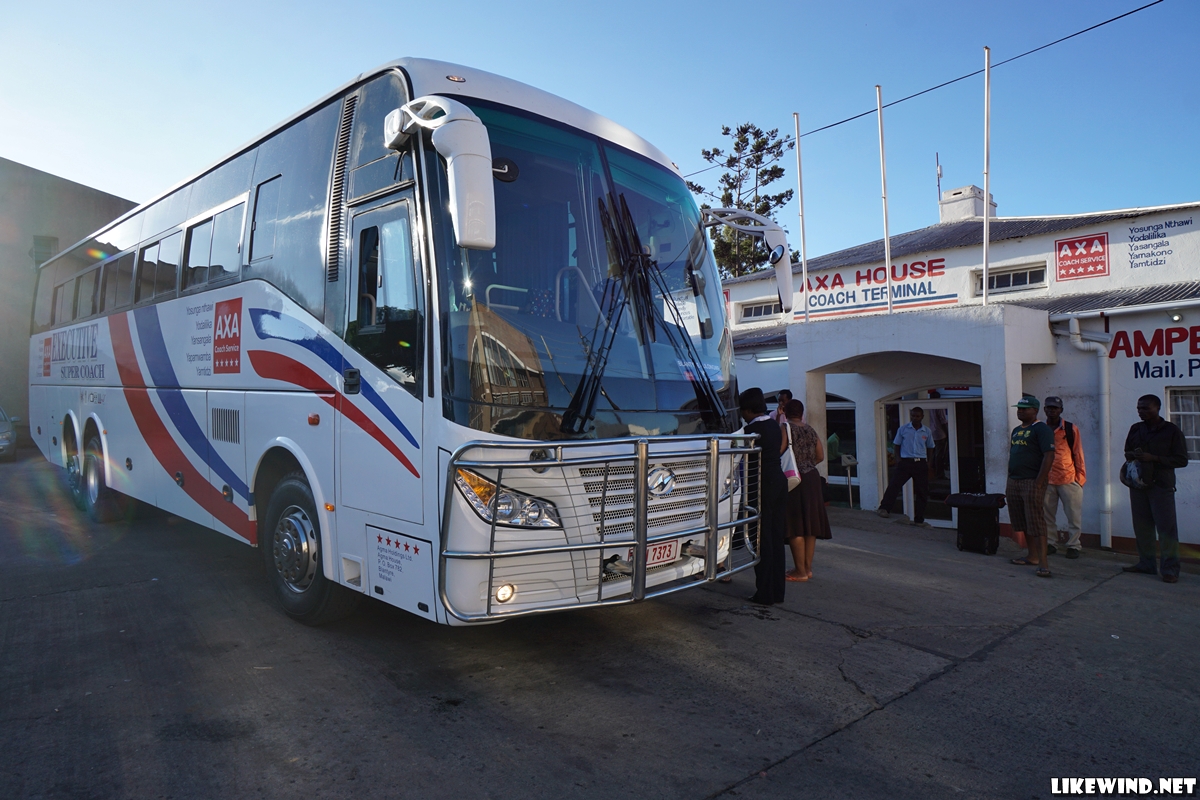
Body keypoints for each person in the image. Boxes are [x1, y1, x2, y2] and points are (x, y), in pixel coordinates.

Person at [1121, 394, 1189, 583]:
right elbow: (1126, 451)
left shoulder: (1171, 431)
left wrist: (1154, 458)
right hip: (1138, 484)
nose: (1141, 411)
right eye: (1139, 408)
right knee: (1142, 527)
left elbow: (1182, 460)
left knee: (1166, 529)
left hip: (1161, 486)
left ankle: (1170, 569)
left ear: (1157, 408)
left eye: (1145, 408)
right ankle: (1146, 564)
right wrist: (1133, 455)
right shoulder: (1136, 429)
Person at [740, 387, 787, 605]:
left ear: (749, 410)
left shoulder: (751, 431)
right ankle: (777, 591)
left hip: (761, 486)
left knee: (760, 538)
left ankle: (765, 592)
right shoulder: (774, 425)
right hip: (778, 482)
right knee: (776, 537)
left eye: (743, 411)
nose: (743, 416)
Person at [781, 399, 832, 582]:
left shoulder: (785, 428)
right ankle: (807, 569)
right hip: (812, 477)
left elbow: (780, 450)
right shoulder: (810, 430)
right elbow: (820, 455)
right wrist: (808, 464)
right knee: (810, 526)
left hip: (795, 478)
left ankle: (799, 571)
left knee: (796, 525)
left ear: (785, 412)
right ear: (801, 413)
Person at [1006, 396, 1056, 578]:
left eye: (1024, 409)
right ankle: (1032, 556)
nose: (1020, 411)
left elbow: (1049, 455)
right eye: (1018, 408)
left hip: (1032, 481)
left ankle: (1043, 563)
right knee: (1023, 521)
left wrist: (1039, 481)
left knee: (1036, 521)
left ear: (1035, 410)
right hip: (1014, 480)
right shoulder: (1016, 430)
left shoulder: (1041, 429)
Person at [1041, 396, 1086, 559]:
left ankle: (1074, 545)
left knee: (1073, 516)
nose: (1052, 410)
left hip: (1068, 478)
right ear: (1044, 409)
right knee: (1047, 515)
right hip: (1047, 479)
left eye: (1055, 408)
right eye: (1049, 407)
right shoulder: (1040, 428)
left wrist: (1080, 478)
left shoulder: (1070, 428)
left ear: (1061, 410)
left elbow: (1078, 452)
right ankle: (1051, 543)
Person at [877, 407, 935, 527]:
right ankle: (884, 508)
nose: (915, 418)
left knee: (922, 492)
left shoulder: (926, 431)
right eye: (913, 415)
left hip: (920, 463)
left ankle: (919, 519)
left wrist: (928, 462)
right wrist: (898, 459)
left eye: (917, 416)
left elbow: (930, 447)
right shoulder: (903, 429)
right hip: (906, 462)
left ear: (922, 417)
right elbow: (897, 444)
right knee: (894, 485)